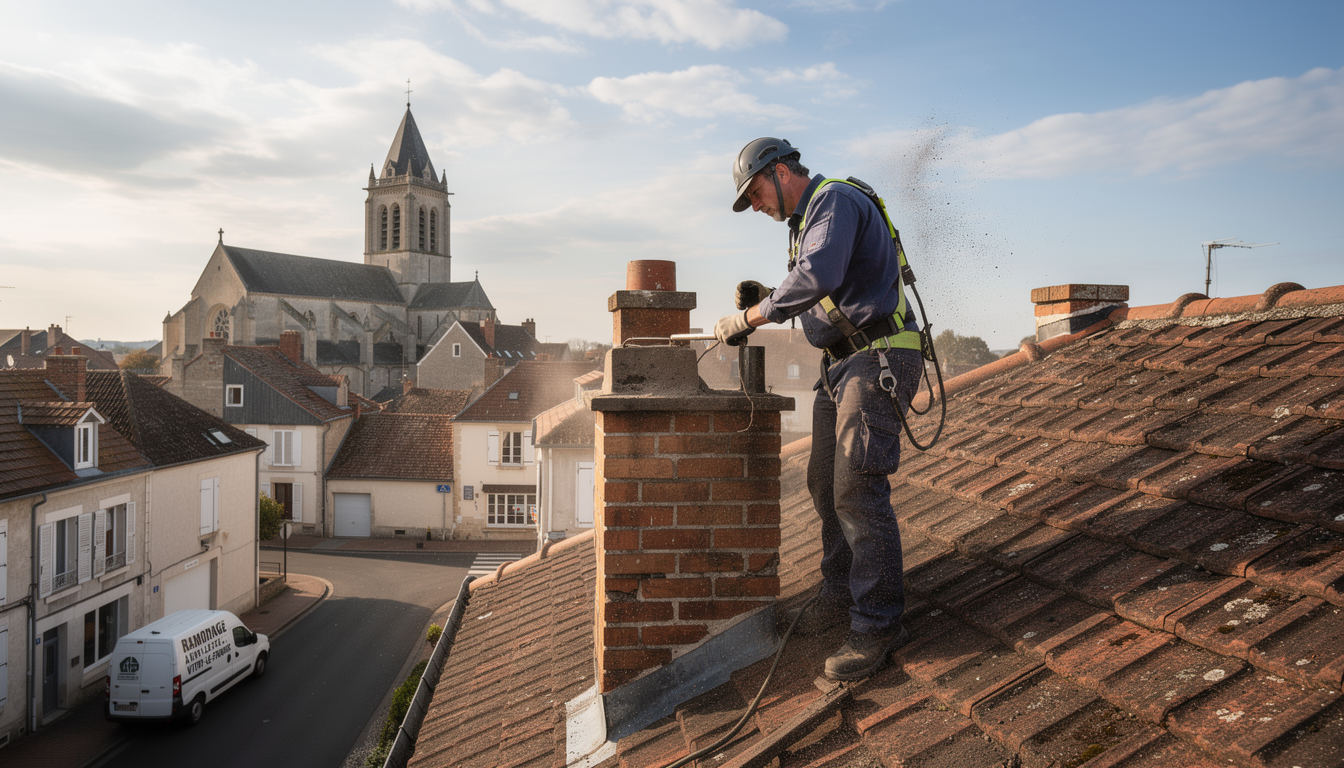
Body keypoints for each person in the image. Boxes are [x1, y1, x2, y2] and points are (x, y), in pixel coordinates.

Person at [714, 137, 924, 681]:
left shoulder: (834, 201)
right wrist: (769, 292)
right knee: (822, 481)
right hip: (841, 365)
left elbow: (818, 278)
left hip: (876, 359)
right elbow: (821, 288)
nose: (755, 206)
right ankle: (840, 594)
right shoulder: (805, 224)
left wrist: (752, 316)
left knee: (856, 484)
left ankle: (879, 624)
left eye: (756, 193)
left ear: (781, 172)